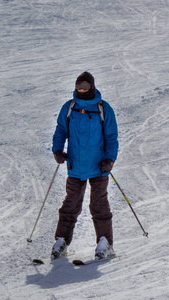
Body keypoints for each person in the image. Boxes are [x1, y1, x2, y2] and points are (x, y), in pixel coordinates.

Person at [51, 71, 119, 260]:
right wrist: (57, 150)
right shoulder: (70, 107)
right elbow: (61, 131)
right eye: (79, 86)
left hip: (99, 167)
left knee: (99, 204)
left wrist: (110, 159)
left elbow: (111, 137)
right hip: (75, 166)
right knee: (71, 204)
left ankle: (105, 243)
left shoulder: (103, 108)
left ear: (92, 87)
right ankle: (61, 240)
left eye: (86, 86)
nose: (82, 90)